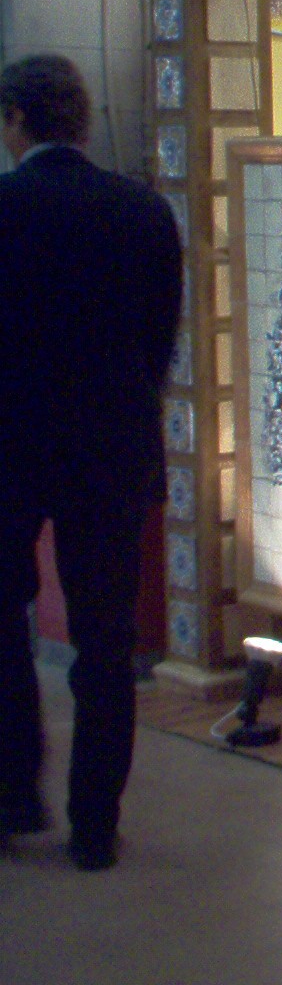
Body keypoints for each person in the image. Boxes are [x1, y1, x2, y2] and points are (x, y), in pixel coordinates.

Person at [0, 55, 182, 870]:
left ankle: (14, 794)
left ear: (16, 119)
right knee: (106, 641)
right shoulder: (143, 211)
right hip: (112, 448)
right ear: (80, 120)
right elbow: (159, 342)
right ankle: (95, 827)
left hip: (11, 446)